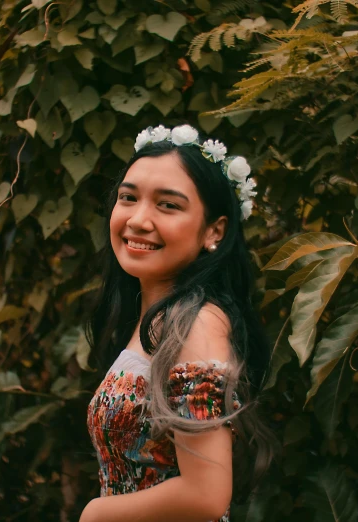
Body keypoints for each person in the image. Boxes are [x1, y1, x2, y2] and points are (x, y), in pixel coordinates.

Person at [81, 124, 275, 522]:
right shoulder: (157, 317)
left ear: (214, 231)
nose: (138, 219)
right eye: (128, 198)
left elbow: (205, 495)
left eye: (167, 205)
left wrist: (96, 514)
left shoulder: (197, 323)